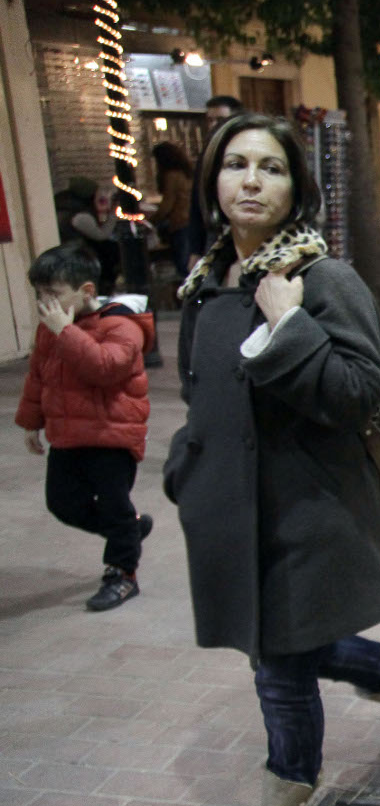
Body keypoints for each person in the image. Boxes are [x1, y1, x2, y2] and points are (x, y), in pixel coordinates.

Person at [166, 113, 380, 806]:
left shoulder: (323, 280)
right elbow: (200, 396)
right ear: (213, 181)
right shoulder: (206, 280)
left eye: (271, 167)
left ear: (297, 187)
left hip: (308, 511)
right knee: (288, 647)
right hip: (229, 510)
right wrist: (183, 471)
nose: (250, 180)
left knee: (280, 668)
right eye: (235, 164)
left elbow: (358, 393)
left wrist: (289, 321)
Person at [14, 244, 156, 611]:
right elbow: (38, 375)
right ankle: (129, 531)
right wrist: (32, 422)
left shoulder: (122, 325)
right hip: (67, 435)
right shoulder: (53, 328)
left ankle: (122, 574)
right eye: (39, 295)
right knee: (62, 503)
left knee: (114, 506)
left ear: (87, 291)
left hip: (111, 435)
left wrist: (65, 331)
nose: (46, 303)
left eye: (54, 294)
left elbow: (104, 368)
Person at [184, 95, 244, 270]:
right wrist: (195, 250)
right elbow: (198, 201)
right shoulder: (208, 154)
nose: (214, 125)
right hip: (217, 233)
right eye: (210, 120)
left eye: (220, 119)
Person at [150, 142, 194, 272]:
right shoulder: (186, 173)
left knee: (182, 264)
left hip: (179, 223)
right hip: (191, 220)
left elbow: (167, 204)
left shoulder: (171, 176)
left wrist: (152, 221)